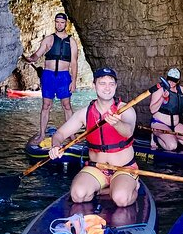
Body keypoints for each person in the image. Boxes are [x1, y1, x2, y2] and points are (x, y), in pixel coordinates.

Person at [49, 67, 139, 207]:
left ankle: (133, 186)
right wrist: (56, 146)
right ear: (94, 85)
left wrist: (116, 123)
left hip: (124, 168)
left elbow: (128, 132)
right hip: (96, 168)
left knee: (121, 199)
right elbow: (59, 134)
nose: (107, 88)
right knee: (78, 195)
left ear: (116, 86)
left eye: (111, 84)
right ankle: (105, 189)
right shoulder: (84, 113)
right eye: (102, 83)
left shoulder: (126, 109)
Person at [23, 12, 79, 144]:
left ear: (66, 24)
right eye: (57, 22)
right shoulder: (48, 39)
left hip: (64, 76)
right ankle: (42, 134)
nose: (59, 25)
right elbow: (38, 54)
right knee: (46, 105)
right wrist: (30, 59)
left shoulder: (71, 42)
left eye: (62, 22)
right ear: (55, 23)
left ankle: (71, 135)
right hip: (48, 76)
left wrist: (74, 81)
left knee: (67, 106)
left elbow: (74, 63)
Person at [149, 67, 183, 150]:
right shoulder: (159, 89)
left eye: (174, 80)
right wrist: (162, 98)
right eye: (170, 79)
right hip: (159, 123)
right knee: (172, 146)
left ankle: (173, 136)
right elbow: (152, 110)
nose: (171, 82)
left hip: (175, 125)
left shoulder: (182, 90)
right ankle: (156, 138)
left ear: (178, 81)